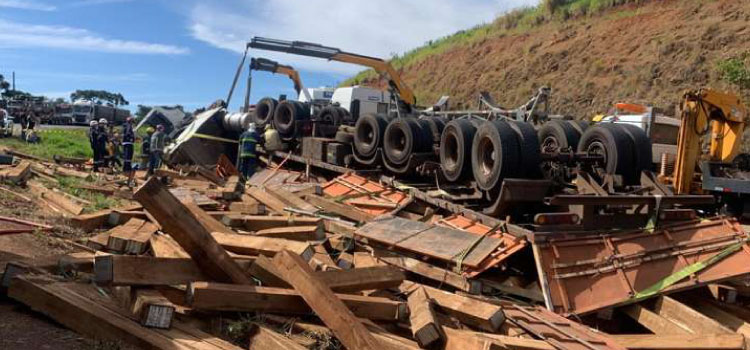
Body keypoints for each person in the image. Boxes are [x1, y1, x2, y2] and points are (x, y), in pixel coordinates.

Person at [122, 117, 136, 186]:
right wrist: (131, 137)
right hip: (128, 143)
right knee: (128, 156)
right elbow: (128, 133)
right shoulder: (128, 126)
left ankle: (126, 168)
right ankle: (127, 168)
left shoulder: (126, 125)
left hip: (126, 143)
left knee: (126, 156)